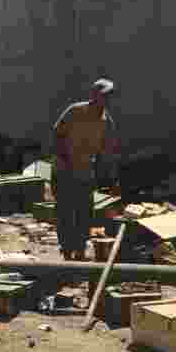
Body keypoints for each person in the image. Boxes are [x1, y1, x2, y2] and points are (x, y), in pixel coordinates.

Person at [52, 78, 120, 261]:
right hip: (64, 170)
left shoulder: (106, 122)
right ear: (94, 95)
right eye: (104, 96)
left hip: (84, 172)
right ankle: (66, 250)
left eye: (110, 96)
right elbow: (58, 134)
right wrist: (65, 161)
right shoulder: (76, 111)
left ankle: (80, 249)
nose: (107, 100)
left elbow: (106, 152)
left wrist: (110, 179)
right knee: (65, 212)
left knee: (84, 213)